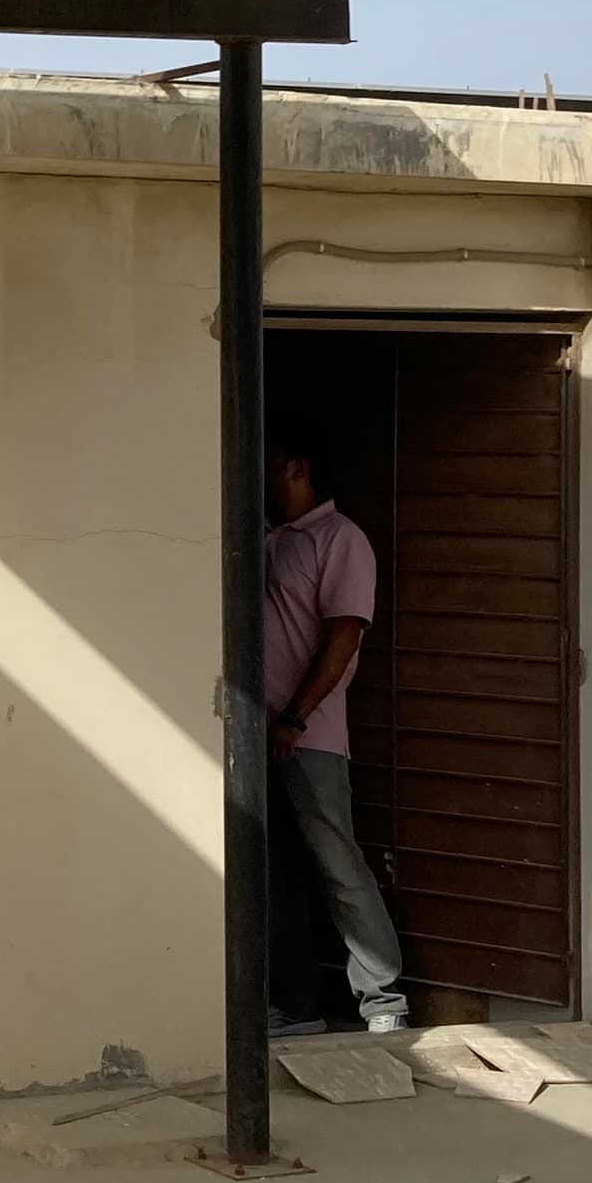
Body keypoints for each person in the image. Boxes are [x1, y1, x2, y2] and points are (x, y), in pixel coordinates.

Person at [265, 444, 409, 1036]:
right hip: (254, 733)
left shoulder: (340, 539)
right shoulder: (274, 541)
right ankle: (295, 1006)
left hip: (309, 735)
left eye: (270, 464)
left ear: (299, 467)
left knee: (337, 863)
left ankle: (383, 1000)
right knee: (272, 870)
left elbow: (344, 636)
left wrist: (296, 718)